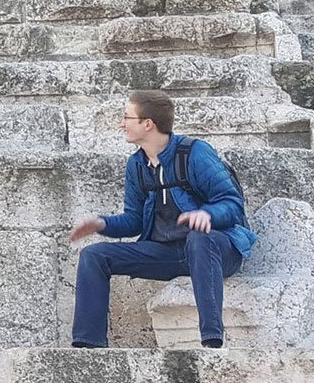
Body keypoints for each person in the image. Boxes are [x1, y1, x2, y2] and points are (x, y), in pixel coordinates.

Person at [69, 90, 256, 349]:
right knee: (94, 256)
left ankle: (212, 343)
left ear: (148, 124)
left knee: (199, 239)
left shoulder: (194, 153)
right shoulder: (137, 165)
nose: (121, 124)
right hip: (168, 253)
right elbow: (134, 220)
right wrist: (102, 224)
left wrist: (207, 214)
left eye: (126, 117)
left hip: (216, 250)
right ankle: (88, 346)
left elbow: (232, 204)